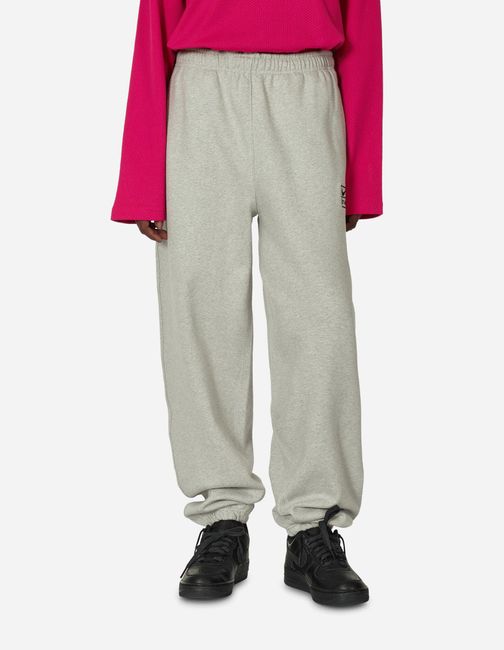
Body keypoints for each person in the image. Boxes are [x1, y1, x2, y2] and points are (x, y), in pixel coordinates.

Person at [111, 0, 383, 607]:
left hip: (308, 92)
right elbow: (155, 20)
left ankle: (313, 525)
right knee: (199, 314)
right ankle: (222, 517)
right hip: (201, 93)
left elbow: (362, 25)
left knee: (319, 320)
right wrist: (143, 179)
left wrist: (361, 176)